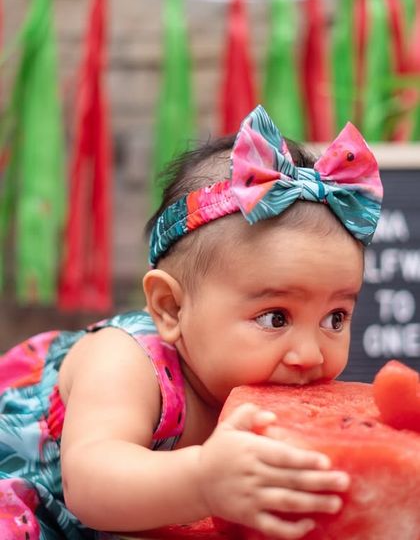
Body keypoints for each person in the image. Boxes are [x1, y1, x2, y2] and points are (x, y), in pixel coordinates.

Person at [0, 105, 383, 540]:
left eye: (335, 318)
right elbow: (89, 485)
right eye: (276, 317)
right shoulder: (125, 362)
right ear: (170, 309)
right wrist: (203, 479)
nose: (310, 354)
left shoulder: (265, 376)